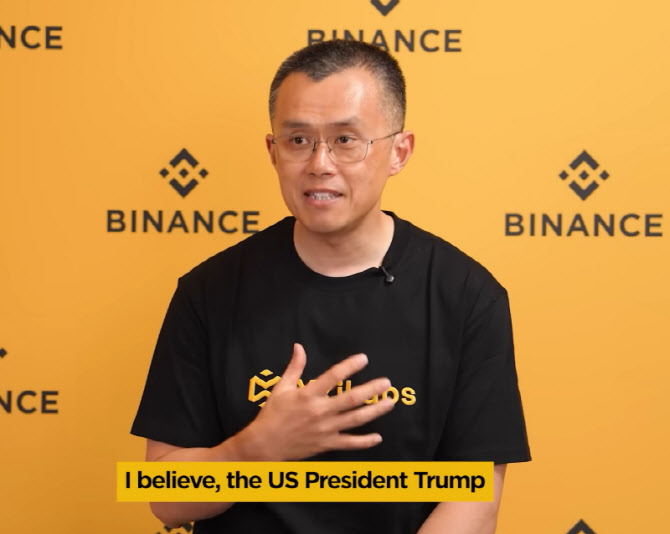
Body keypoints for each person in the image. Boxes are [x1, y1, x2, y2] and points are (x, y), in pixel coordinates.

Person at [131, 39, 531, 534]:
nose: (320, 163)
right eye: (298, 140)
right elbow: (164, 499)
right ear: (273, 152)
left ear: (399, 151)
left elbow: (475, 502)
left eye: (346, 139)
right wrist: (256, 449)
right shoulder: (207, 292)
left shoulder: (467, 296)